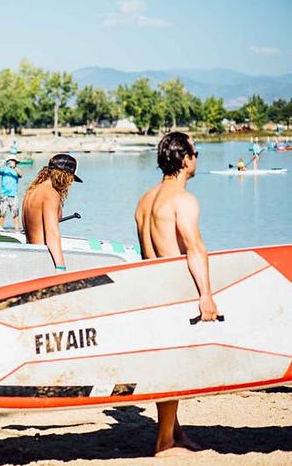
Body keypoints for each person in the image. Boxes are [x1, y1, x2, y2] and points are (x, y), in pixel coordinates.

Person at [134, 131, 219, 457]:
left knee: (165, 362)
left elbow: (145, 250)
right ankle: (165, 442)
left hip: (150, 288)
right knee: (173, 367)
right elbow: (195, 249)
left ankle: (174, 431)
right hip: (173, 289)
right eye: (196, 153)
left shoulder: (145, 199)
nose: (196, 159)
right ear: (185, 159)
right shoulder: (183, 200)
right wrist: (206, 294)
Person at [22, 154, 82, 272]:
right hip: (43, 259)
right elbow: (52, 233)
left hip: (30, 253)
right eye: (70, 179)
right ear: (65, 175)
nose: (70, 184)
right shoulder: (51, 194)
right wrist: (61, 267)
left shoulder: (32, 190)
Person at [0, 155, 22, 231]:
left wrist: (14, 167)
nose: (13, 163)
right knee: (2, 214)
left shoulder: (16, 170)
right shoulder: (4, 169)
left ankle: (16, 230)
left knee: (15, 214)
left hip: (13, 195)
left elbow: (21, 175)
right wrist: (1, 164)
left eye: (14, 162)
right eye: (11, 161)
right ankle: (0, 229)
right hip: (4, 195)